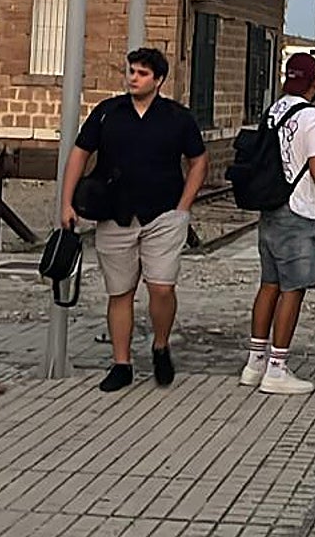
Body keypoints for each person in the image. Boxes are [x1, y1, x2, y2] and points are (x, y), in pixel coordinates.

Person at [60, 47, 208, 393]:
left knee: (161, 287)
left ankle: (160, 344)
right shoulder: (108, 113)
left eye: (141, 73)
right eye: (130, 71)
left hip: (163, 214)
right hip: (115, 215)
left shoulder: (177, 117)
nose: (133, 78)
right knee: (120, 292)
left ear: (158, 80)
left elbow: (199, 161)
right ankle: (121, 362)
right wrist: (67, 203)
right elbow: (80, 154)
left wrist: (183, 208)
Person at [240, 53, 315, 394]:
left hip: (271, 207)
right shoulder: (314, 117)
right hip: (299, 210)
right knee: (293, 289)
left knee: (269, 284)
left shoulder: (274, 109)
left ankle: (255, 362)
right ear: (314, 83)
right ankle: (277, 369)